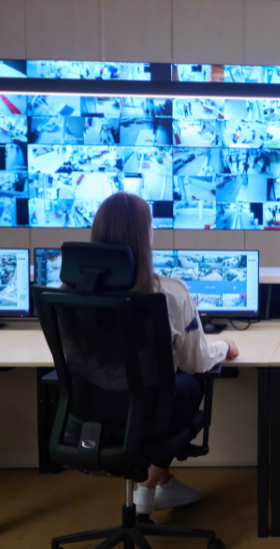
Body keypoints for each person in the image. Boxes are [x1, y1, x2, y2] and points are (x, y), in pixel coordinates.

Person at [86, 192, 240, 517]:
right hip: (150, 415)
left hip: (91, 412)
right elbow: (196, 361)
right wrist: (225, 346)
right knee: (190, 380)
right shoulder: (169, 291)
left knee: (164, 383)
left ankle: (160, 485)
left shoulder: (74, 294)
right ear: (145, 237)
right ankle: (148, 487)